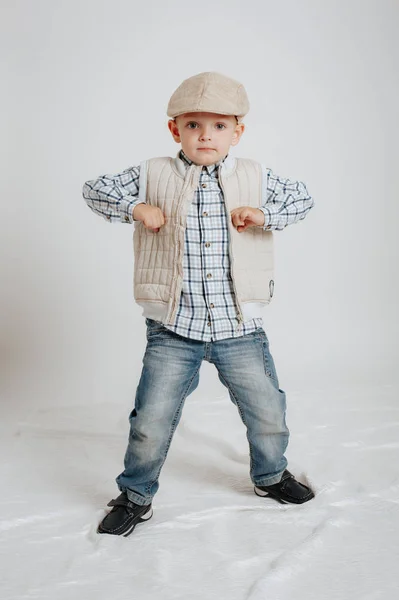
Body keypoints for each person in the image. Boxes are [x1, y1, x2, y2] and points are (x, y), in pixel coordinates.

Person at [82, 71, 316, 537]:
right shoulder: (152, 174)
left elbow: (304, 198)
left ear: (237, 131)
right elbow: (95, 189)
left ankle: (270, 475)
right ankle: (135, 494)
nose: (206, 135)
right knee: (151, 418)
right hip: (173, 328)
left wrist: (264, 214)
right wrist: (136, 208)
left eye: (219, 126)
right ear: (175, 130)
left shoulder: (255, 175)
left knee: (267, 409)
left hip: (239, 328)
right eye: (193, 125)